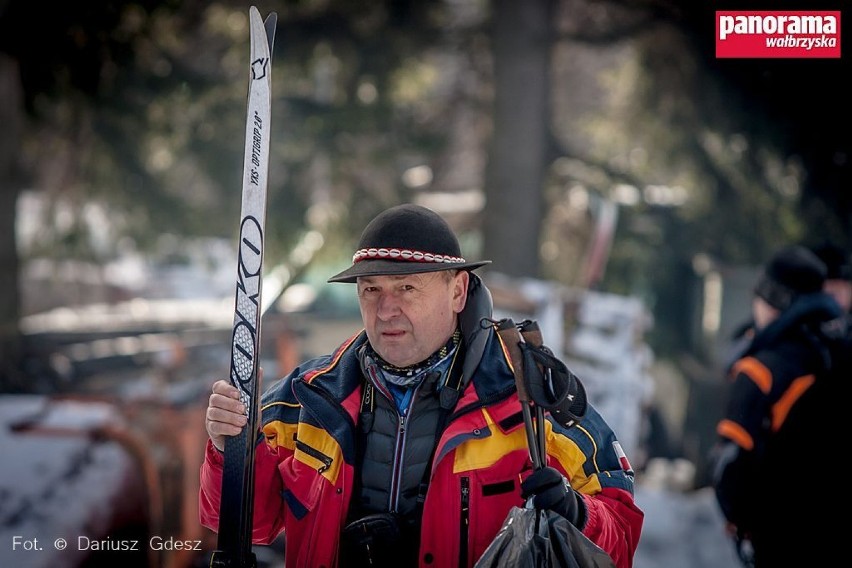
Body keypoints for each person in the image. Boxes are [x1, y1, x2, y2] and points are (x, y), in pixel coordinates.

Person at [199, 203, 644, 567]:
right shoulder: (307, 398)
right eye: (371, 290)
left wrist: (576, 512)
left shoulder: (531, 403)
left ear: (457, 291)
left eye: (407, 287)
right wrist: (228, 451)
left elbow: (621, 537)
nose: (386, 309)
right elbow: (247, 524)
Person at [710, 245, 843, 567]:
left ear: (773, 299)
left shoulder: (760, 370)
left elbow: (730, 463)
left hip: (779, 537)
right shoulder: (837, 352)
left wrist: (741, 522)